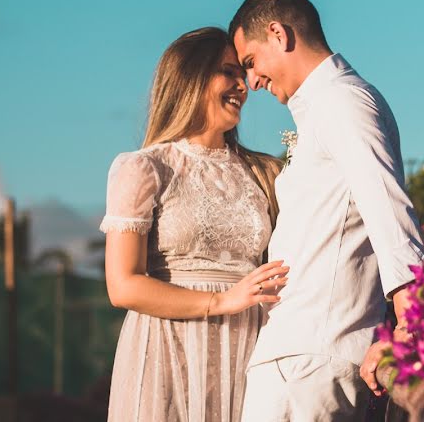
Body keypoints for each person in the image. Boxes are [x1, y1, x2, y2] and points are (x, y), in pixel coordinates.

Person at [231, 0, 424, 421]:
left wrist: (412, 326)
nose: (253, 81)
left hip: (309, 362)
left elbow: (387, 207)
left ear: (279, 35)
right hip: (306, 353)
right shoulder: (328, 106)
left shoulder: (341, 101)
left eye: (251, 61)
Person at [100, 27, 289, 421]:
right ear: (190, 77)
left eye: (243, 73)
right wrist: (221, 302)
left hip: (248, 349)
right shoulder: (144, 168)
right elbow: (123, 285)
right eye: (228, 72)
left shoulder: (265, 173)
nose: (243, 85)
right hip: (168, 351)